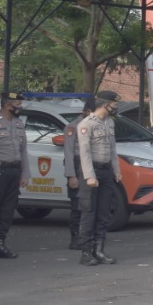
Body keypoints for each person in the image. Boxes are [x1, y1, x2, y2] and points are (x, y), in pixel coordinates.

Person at [75, 91, 123, 266]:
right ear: (105, 104)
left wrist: (116, 170)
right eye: (114, 105)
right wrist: (89, 176)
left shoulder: (109, 123)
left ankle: (99, 249)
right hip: (91, 171)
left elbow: (113, 149)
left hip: (106, 171)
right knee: (89, 212)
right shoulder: (86, 124)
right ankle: (86, 252)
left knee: (103, 212)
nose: (115, 108)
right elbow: (85, 152)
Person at [0, 90, 28, 260]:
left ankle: (0, 244)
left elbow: (23, 151)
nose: (20, 107)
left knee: (7, 210)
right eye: (17, 104)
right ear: (7, 105)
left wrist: (25, 174)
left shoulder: (18, 124)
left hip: (14, 171)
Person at [62, 97, 95, 251]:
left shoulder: (96, 125)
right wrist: (71, 175)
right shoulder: (72, 127)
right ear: (86, 111)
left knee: (90, 205)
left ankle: (88, 236)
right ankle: (76, 238)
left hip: (91, 165)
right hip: (77, 166)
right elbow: (68, 153)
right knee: (77, 206)